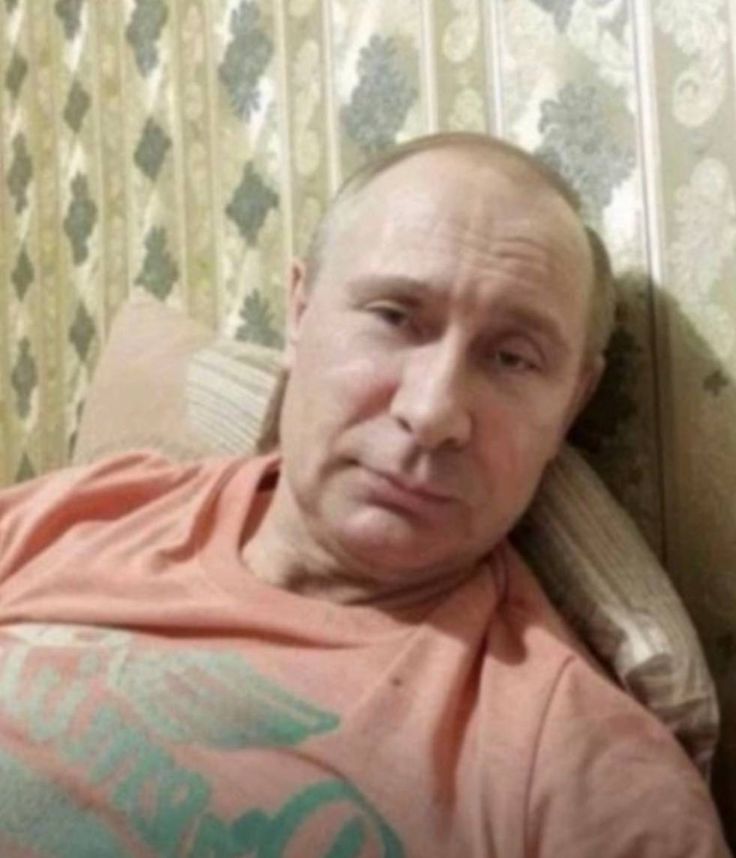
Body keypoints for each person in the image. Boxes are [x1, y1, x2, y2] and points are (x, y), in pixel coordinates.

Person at [0, 133, 729, 857]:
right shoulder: (87, 510)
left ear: (572, 403)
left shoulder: (589, 779)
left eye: (512, 358)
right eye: (393, 317)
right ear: (299, 312)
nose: (433, 412)